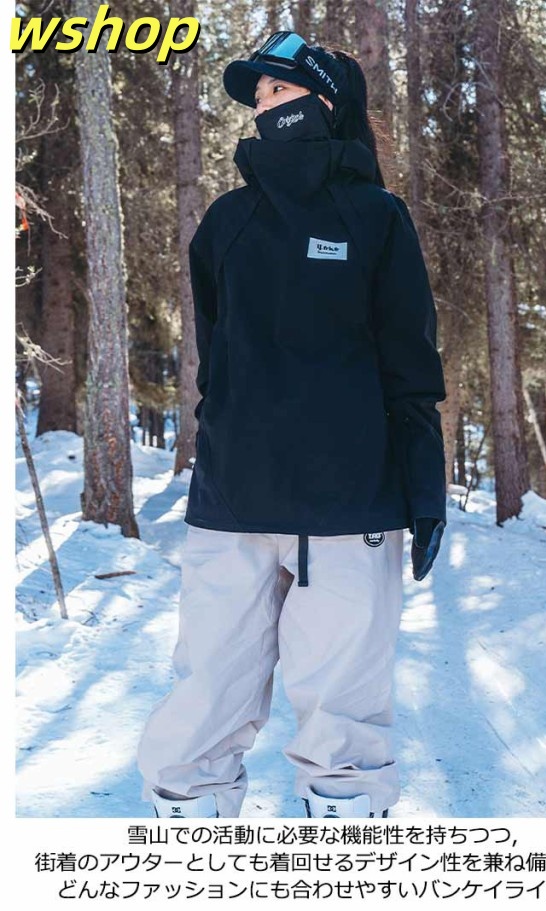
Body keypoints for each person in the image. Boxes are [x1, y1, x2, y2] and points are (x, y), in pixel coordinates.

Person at [137, 31, 447, 820]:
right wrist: (217, 456)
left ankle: (344, 844)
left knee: (344, 716)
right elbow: (217, 360)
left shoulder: (377, 218)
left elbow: (410, 364)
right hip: (234, 505)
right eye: (259, 96)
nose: (264, 106)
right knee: (204, 700)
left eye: (280, 90)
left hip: (350, 507)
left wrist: (423, 485)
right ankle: (189, 839)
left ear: (327, 103)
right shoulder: (226, 222)